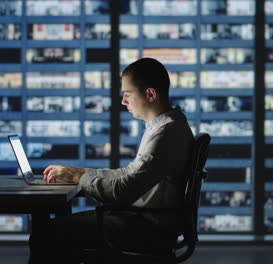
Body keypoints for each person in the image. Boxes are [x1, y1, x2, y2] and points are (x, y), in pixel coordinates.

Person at [29, 58, 194, 264]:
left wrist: (78, 176)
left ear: (150, 94)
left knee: (47, 233)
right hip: (145, 221)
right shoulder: (165, 125)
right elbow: (129, 174)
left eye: (127, 94)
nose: (123, 101)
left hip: (147, 229)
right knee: (58, 229)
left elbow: (124, 190)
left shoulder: (166, 133)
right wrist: (77, 173)